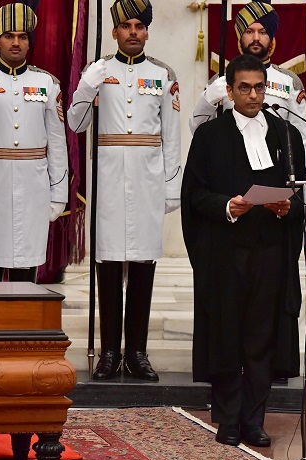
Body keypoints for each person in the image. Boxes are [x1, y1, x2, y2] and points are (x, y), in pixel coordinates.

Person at [181, 54, 305, 447]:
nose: (253, 95)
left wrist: (289, 207)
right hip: (225, 252)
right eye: (245, 87)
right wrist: (225, 206)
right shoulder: (210, 137)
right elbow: (194, 195)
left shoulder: (286, 134)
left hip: (270, 251)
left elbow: (302, 193)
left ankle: (255, 419)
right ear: (230, 91)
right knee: (227, 334)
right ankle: (229, 418)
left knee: (261, 338)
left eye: (259, 87)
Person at [67, 0, 181, 382]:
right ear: (114, 32)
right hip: (110, 181)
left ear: (147, 31)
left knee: (144, 267)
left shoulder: (163, 75)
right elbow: (76, 123)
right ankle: (110, 352)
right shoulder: (99, 71)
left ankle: (137, 352)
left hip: (148, 181)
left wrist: (171, 188)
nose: (133, 32)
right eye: (126, 26)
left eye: (139, 26)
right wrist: (87, 85)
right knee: (110, 266)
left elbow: (172, 136)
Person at [0, 2, 68, 283]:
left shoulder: (46, 83)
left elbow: (57, 142)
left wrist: (59, 192)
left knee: (26, 266)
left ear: (29, 43)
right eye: (9, 36)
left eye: (22, 37)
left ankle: (24, 326)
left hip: (33, 184)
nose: (16, 43)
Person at [189, 0, 306, 174]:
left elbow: (301, 138)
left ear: (271, 37)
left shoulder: (289, 81)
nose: (256, 38)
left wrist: (301, 185)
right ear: (240, 36)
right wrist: (208, 99)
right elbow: (198, 130)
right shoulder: (222, 80)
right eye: (249, 31)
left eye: (262, 32)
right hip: (230, 168)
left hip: (275, 170)